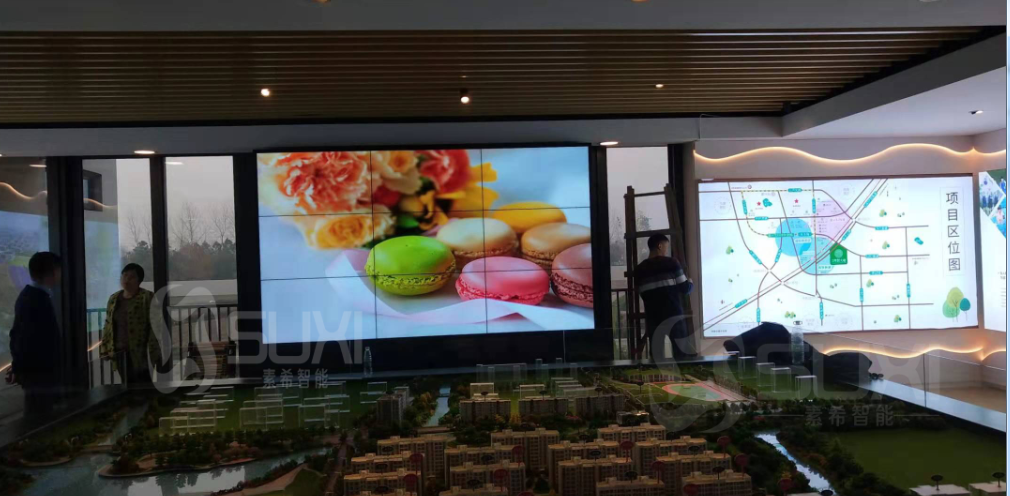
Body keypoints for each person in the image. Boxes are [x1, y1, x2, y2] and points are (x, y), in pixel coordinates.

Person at [8, 252, 63, 415]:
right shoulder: (35, 299)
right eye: (59, 270)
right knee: (38, 415)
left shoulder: (32, 296)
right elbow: (22, 337)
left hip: (37, 372)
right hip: (38, 373)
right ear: (52, 272)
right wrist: (18, 367)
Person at [633, 234, 695, 361]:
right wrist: (690, 282)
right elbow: (685, 289)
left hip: (653, 317)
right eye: (666, 247)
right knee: (681, 355)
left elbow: (641, 292)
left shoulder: (639, 270)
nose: (666, 250)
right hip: (673, 315)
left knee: (657, 356)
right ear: (660, 246)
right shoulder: (671, 263)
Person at [100, 263, 160, 386]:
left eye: (131, 277)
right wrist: (105, 348)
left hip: (140, 352)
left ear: (139, 280)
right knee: (126, 385)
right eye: (124, 276)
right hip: (119, 352)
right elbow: (108, 324)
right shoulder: (114, 298)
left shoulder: (147, 297)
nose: (126, 280)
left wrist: (154, 352)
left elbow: (155, 326)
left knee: (143, 385)